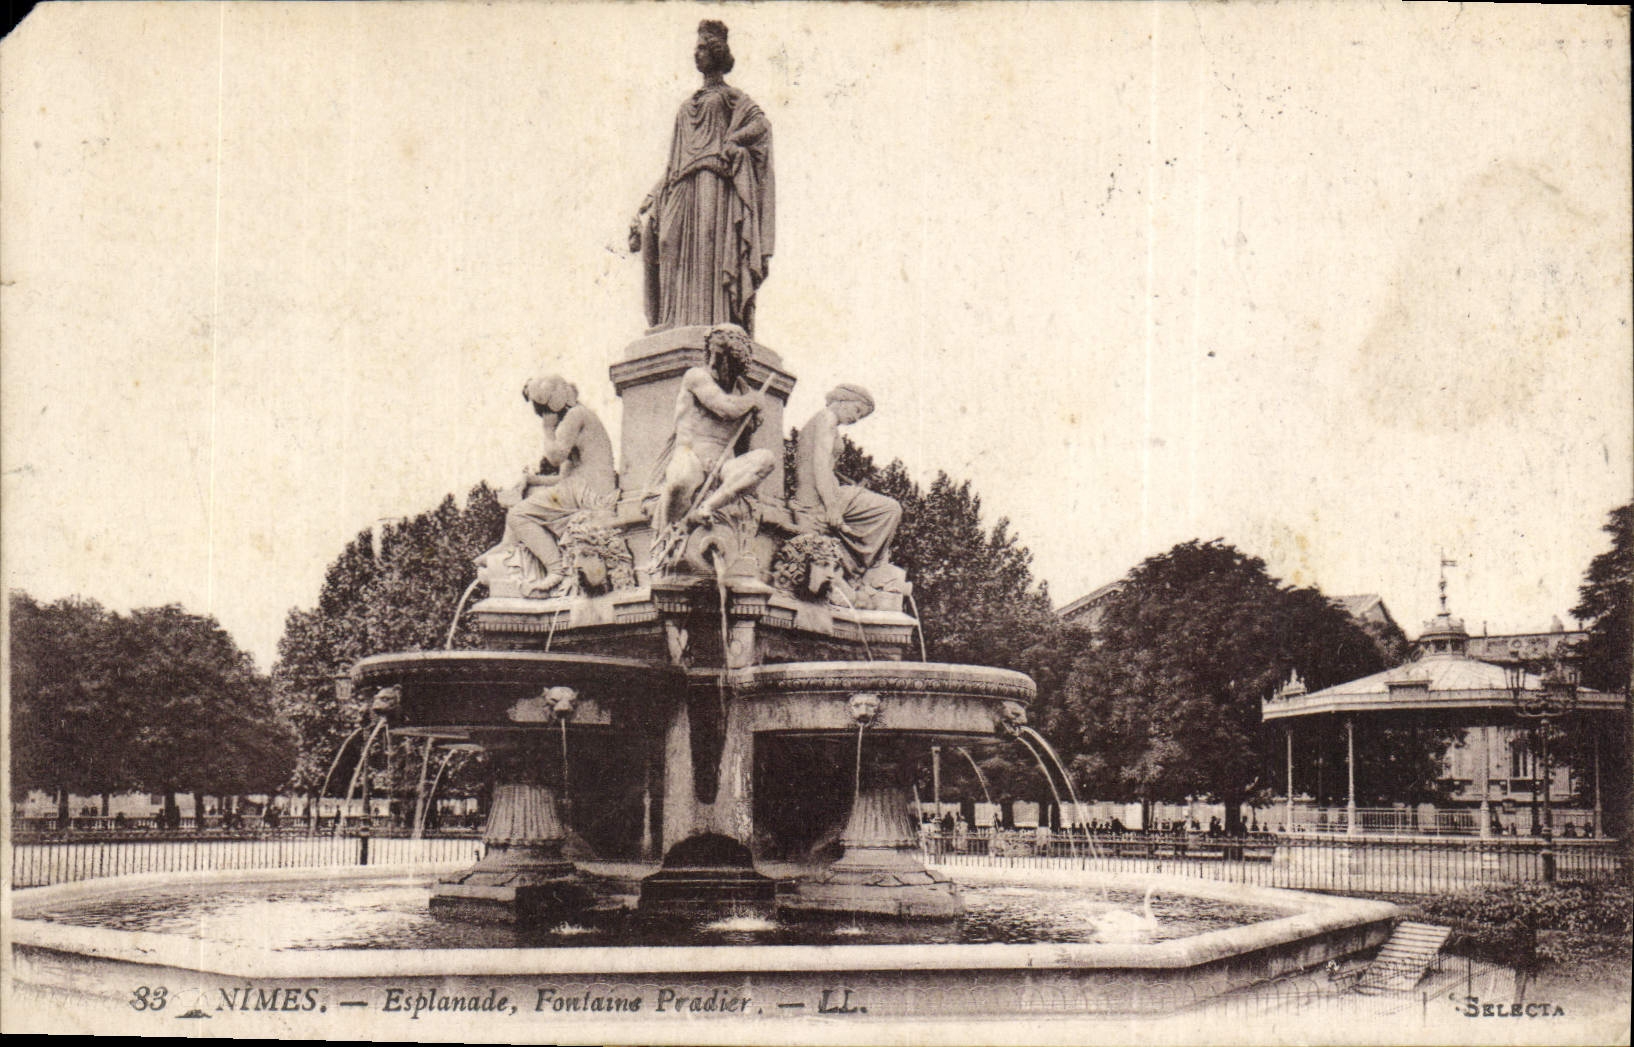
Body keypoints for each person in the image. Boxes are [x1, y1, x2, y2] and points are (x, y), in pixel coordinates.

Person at [630, 20, 774, 334]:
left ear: (717, 52)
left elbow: (762, 126)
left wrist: (734, 140)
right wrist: (651, 197)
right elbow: (672, 163)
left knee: (709, 248)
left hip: (712, 180)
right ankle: (672, 319)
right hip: (680, 183)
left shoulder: (730, 97)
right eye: (696, 48)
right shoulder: (686, 105)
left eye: (704, 48)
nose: (698, 54)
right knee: (667, 242)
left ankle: (711, 319)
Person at [645, 324, 775, 550]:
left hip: (724, 464)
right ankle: (669, 538)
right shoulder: (697, 376)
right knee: (681, 480)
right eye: (712, 354)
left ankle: (708, 506)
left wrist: (756, 419)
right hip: (691, 455)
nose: (714, 362)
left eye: (722, 357)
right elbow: (724, 408)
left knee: (766, 459)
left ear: (735, 361)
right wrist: (754, 402)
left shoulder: (741, 389)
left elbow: (745, 437)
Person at [497, 375, 619, 595]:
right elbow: (562, 478)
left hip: (587, 491)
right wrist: (530, 479)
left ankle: (555, 570)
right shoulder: (583, 416)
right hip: (586, 488)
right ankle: (505, 552)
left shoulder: (575, 416)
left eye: (541, 409)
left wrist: (547, 428)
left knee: (517, 515)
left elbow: (554, 457)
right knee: (530, 493)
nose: (542, 414)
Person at [790, 384, 903, 580]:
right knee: (891, 509)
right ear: (842, 400)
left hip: (828, 491)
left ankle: (868, 568)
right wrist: (832, 507)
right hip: (817, 497)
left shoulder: (826, 421)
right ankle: (867, 571)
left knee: (885, 508)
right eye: (857, 410)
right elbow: (820, 465)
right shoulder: (827, 418)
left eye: (861, 416)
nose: (856, 418)